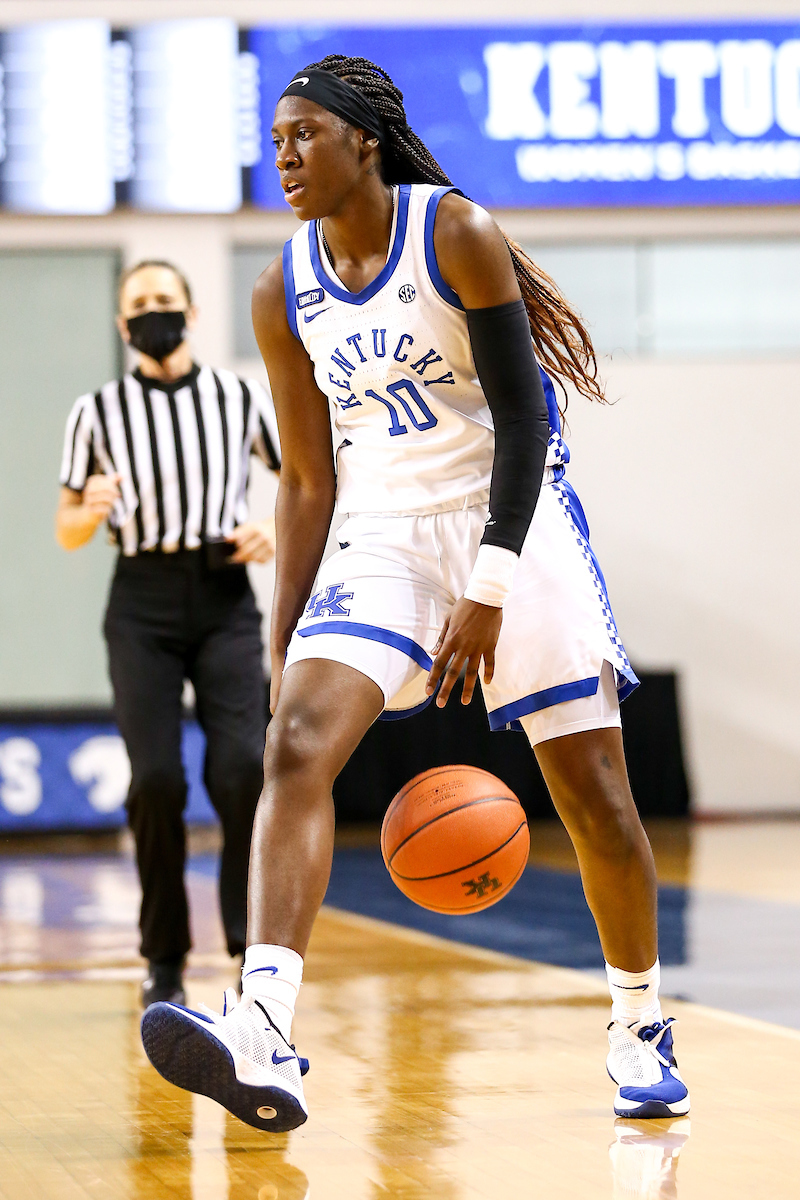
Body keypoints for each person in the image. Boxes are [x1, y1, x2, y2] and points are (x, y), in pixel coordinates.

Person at [141, 59, 690, 1129]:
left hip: (513, 527)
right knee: (295, 743)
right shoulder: (279, 286)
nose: (285, 156)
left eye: (305, 134)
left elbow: (527, 424)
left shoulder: (454, 234)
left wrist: (486, 583)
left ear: (366, 142)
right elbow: (306, 477)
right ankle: (263, 1029)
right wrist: (280, 625)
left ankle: (636, 1023)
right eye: (275, 138)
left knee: (595, 800)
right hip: (380, 535)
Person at [56, 260, 280, 1008]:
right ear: (124, 328)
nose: (154, 313)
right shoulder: (95, 413)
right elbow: (66, 531)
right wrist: (90, 509)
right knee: (155, 781)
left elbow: (308, 480)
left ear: (189, 311)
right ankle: (165, 959)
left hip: (223, 596)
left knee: (243, 770)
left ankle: (253, 953)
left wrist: (271, 529)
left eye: (165, 301)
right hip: (141, 602)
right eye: (140, 306)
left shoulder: (238, 398)